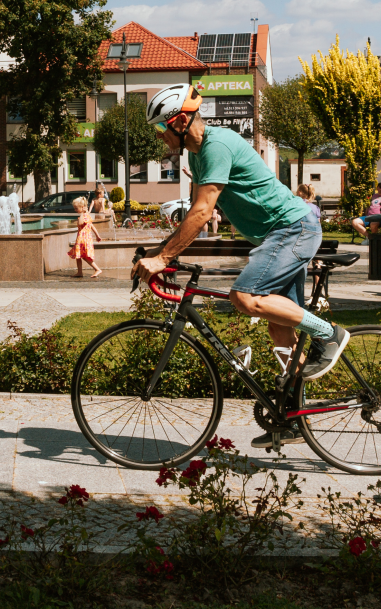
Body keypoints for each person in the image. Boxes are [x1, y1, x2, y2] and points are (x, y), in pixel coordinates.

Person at [134, 85, 348, 434]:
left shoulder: (216, 146)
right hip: (281, 233)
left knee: (244, 297)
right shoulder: (199, 155)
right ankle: (292, 421)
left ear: (181, 121)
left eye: (161, 128)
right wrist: (158, 254)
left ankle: (329, 334)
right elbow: (193, 212)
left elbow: (204, 212)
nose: (160, 137)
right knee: (281, 329)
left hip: (292, 228)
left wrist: (163, 259)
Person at [68, 195, 102, 277]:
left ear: (82, 207)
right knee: (78, 255)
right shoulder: (86, 215)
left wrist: (82, 214)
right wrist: (97, 236)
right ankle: (80, 272)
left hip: (83, 239)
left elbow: (80, 223)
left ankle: (97, 269)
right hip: (82, 238)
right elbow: (92, 226)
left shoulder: (84, 215)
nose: (75, 210)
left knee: (84, 256)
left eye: (76, 208)